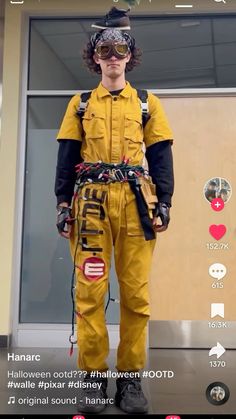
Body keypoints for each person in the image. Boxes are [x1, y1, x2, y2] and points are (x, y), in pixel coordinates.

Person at [55, 8, 174, 414]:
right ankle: (92, 382)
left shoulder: (147, 104)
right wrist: (61, 203)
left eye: (119, 48)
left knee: (136, 297)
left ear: (129, 55)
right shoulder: (79, 102)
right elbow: (67, 155)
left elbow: (160, 155)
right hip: (89, 205)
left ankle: (130, 382)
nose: (111, 55)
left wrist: (167, 201)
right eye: (103, 48)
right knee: (89, 294)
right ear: (95, 56)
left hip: (136, 205)